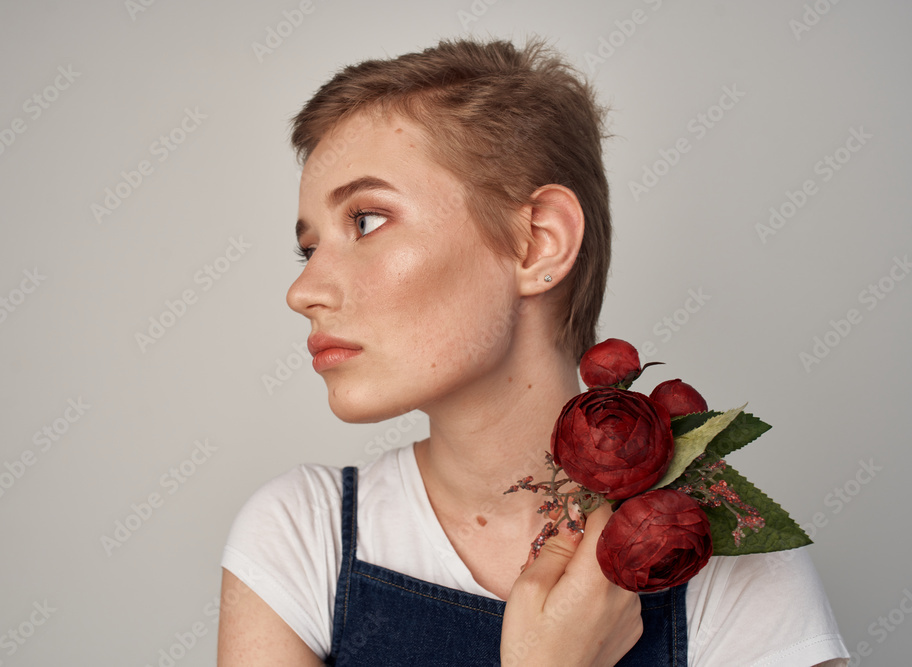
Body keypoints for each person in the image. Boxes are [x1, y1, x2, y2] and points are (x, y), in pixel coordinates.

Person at [218, 38, 850, 666]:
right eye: (308, 249)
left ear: (538, 243)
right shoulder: (302, 536)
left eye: (365, 221)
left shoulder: (732, 562)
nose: (303, 292)